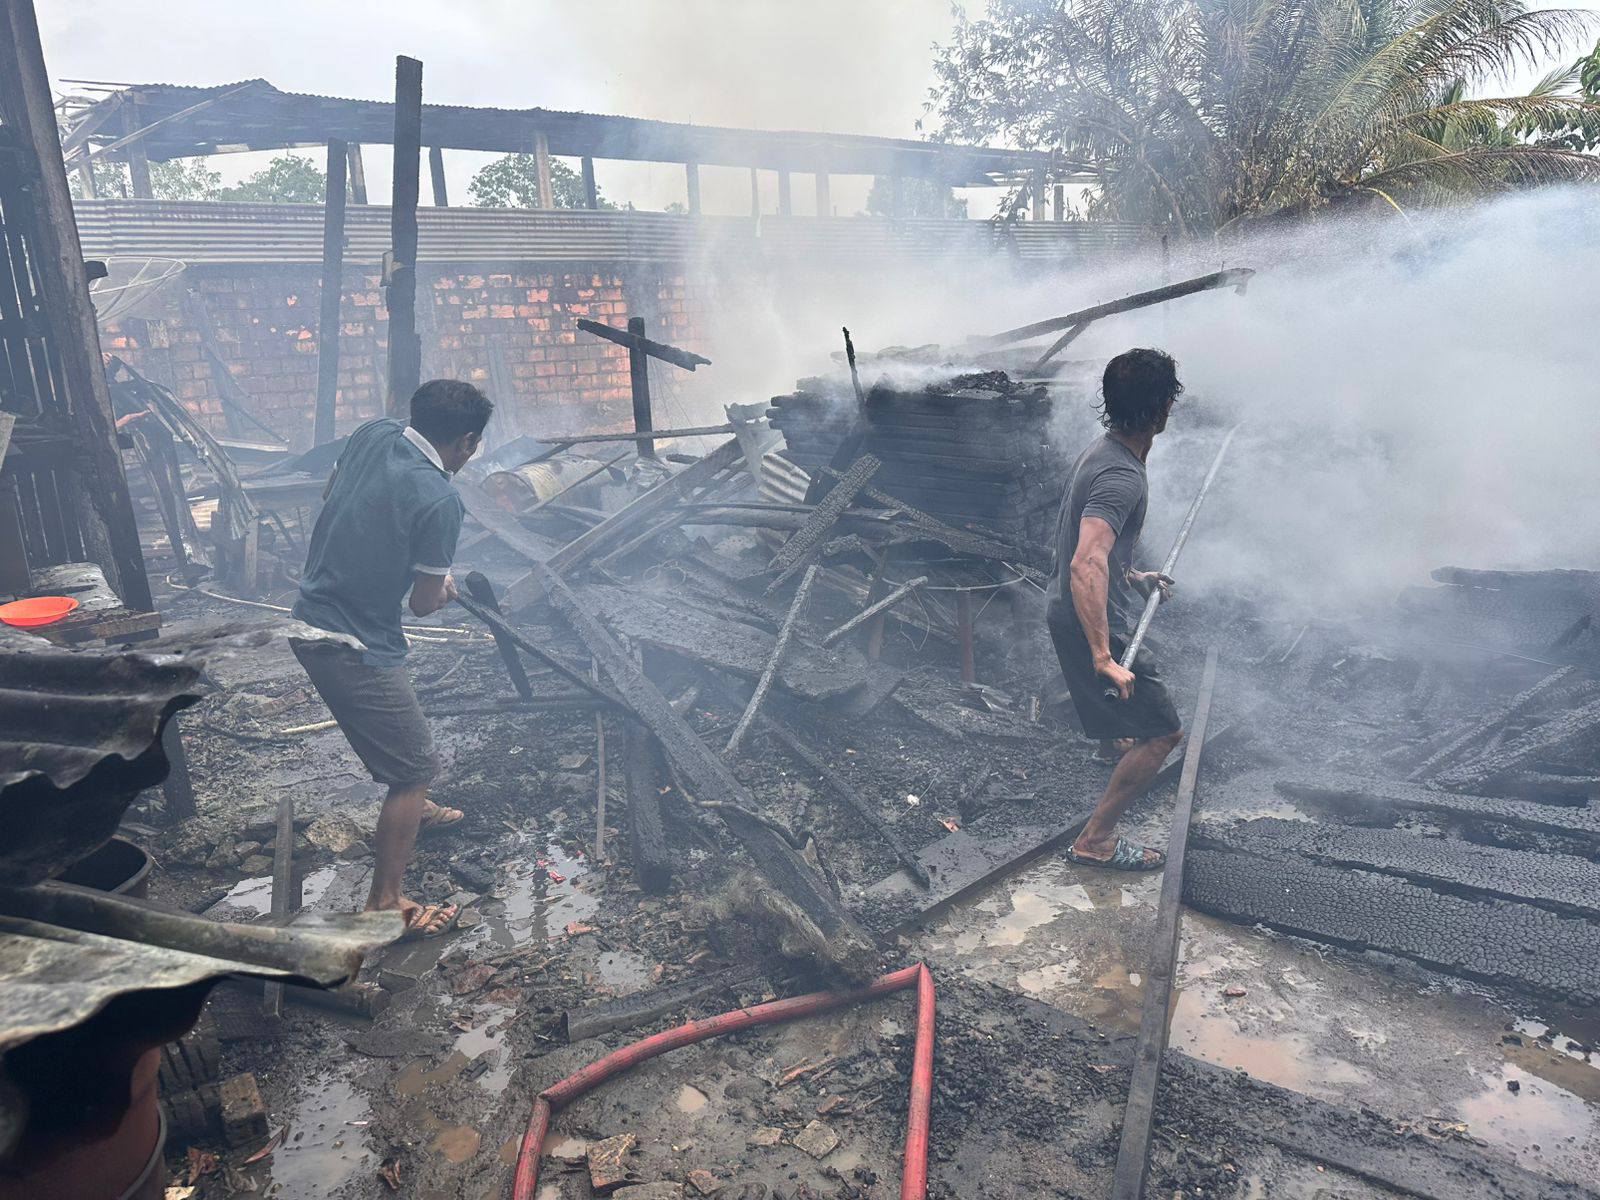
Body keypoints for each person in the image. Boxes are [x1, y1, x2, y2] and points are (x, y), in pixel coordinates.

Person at [291, 379, 493, 935]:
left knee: (399, 737)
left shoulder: (373, 433)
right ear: (468, 440)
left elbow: (336, 490)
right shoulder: (440, 497)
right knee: (415, 766)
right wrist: (441, 583)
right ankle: (386, 904)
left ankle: (414, 809)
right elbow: (424, 604)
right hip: (350, 646)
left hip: (309, 617)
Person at [1046, 348, 1186, 871]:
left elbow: (1102, 553)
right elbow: (1086, 562)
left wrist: (1131, 574)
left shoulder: (1104, 452)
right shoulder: (1121, 476)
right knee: (1164, 732)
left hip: (1067, 607)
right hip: (1085, 617)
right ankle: (1096, 840)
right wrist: (1103, 653)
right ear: (1163, 407)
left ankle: (1114, 743)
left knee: (1126, 717)